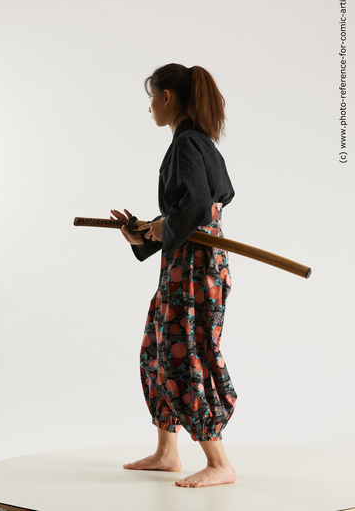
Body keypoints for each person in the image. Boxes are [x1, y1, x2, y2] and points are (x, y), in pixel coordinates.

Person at [110, 63, 238, 488]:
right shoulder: (197, 143)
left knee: (186, 353)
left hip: (197, 268)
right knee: (156, 351)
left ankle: (219, 462)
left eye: (153, 98)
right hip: (185, 264)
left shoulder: (188, 144)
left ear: (167, 97)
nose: (150, 108)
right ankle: (167, 452)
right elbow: (196, 209)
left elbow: (201, 208)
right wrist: (143, 235)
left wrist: (167, 225)